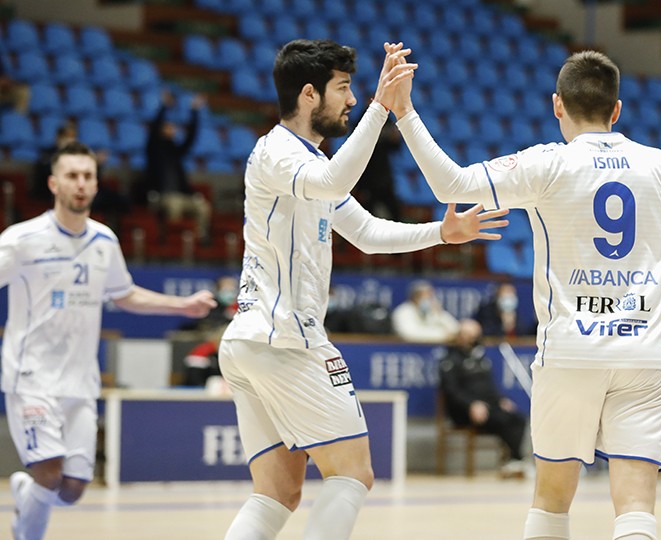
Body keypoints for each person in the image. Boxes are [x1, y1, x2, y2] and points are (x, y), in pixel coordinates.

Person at [393, 50, 661, 540]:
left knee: (552, 502)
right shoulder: (660, 166)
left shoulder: (546, 163)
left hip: (570, 352)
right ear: (616, 110)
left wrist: (404, 112)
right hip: (644, 354)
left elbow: (451, 182)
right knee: (636, 507)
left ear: (558, 105)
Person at [217, 39, 507, 540]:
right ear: (309, 95)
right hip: (285, 342)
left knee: (277, 493)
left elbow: (369, 233)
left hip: (250, 343)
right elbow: (333, 181)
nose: (351, 100)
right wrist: (381, 106)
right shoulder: (280, 153)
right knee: (353, 473)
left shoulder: (306, 162)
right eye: (343, 88)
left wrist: (441, 233)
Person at [1, 141, 216, 540]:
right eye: (71, 176)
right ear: (53, 183)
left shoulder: (104, 241)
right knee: (48, 473)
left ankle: (26, 490)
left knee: (72, 488)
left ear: (96, 184)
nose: (80, 184)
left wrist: (181, 306)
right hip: (30, 377)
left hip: (80, 381)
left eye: (87, 176)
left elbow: (125, 294)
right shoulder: (22, 240)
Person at [439, 318, 529, 478]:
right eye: (467, 335)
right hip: (463, 411)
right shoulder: (450, 361)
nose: (471, 339)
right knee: (501, 420)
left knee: (517, 418)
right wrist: (471, 405)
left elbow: (489, 388)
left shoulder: (481, 359)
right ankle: (514, 461)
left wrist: (500, 400)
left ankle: (514, 460)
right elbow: (452, 391)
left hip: (488, 407)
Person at [144, 90, 211, 243]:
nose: (173, 130)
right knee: (174, 204)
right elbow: (153, 131)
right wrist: (164, 107)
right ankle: (173, 240)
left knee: (202, 206)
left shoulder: (176, 151)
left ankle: (200, 239)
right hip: (161, 195)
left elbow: (190, 138)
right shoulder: (154, 149)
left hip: (182, 195)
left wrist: (194, 112)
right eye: (168, 127)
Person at [391, 280, 460, 343]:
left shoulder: (433, 311)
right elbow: (409, 334)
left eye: (431, 296)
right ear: (415, 297)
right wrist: (442, 335)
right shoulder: (402, 311)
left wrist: (440, 314)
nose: (431, 299)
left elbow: (455, 329)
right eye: (428, 296)